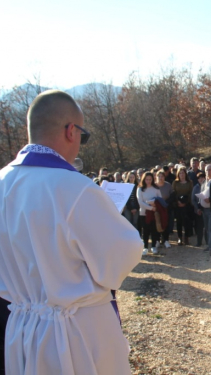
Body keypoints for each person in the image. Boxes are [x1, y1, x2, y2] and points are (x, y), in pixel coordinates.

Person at [0, 90, 142, 374]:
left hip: (19, 327)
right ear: (70, 131)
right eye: (83, 136)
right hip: (75, 333)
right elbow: (121, 257)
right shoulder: (75, 188)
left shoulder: (3, 182)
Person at [137, 172, 161, 255]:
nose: (148, 181)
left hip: (154, 213)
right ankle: (145, 247)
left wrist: (155, 205)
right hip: (144, 213)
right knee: (146, 231)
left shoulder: (156, 188)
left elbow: (160, 199)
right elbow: (140, 202)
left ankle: (153, 246)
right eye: (147, 179)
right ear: (144, 179)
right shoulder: (140, 189)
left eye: (150, 179)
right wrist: (151, 207)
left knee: (154, 230)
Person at [172, 167, 193, 245]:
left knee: (187, 222)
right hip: (177, 205)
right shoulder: (175, 182)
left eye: (183, 173)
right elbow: (173, 193)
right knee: (179, 222)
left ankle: (186, 237)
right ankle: (179, 237)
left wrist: (186, 202)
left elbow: (191, 193)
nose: (182, 174)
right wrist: (177, 202)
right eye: (180, 173)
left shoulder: (189, 182)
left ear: (185, 174)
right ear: (178, 174)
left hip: (187, 205)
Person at [156, 170, 174, 249]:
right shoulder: (154, 186)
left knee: (166, 223)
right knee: (157, 223)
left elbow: (172, 195)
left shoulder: (168, 185)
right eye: (159, 176)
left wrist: (166, 202)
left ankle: (166, 240)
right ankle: (157, 240)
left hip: (166, 207)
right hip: (156, 207)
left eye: (162, 176)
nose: (160, 178)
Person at [191, 171, 207, 247]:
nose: (201, 179)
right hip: (198, 208)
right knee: (199, 227)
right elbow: (193, 199)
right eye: (199, 178)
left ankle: (208, 242)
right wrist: (197, 209)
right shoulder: (195, 187)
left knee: (207, 226)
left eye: (202, 177)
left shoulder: (207, 186)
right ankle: (199, 242)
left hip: (206, 208)